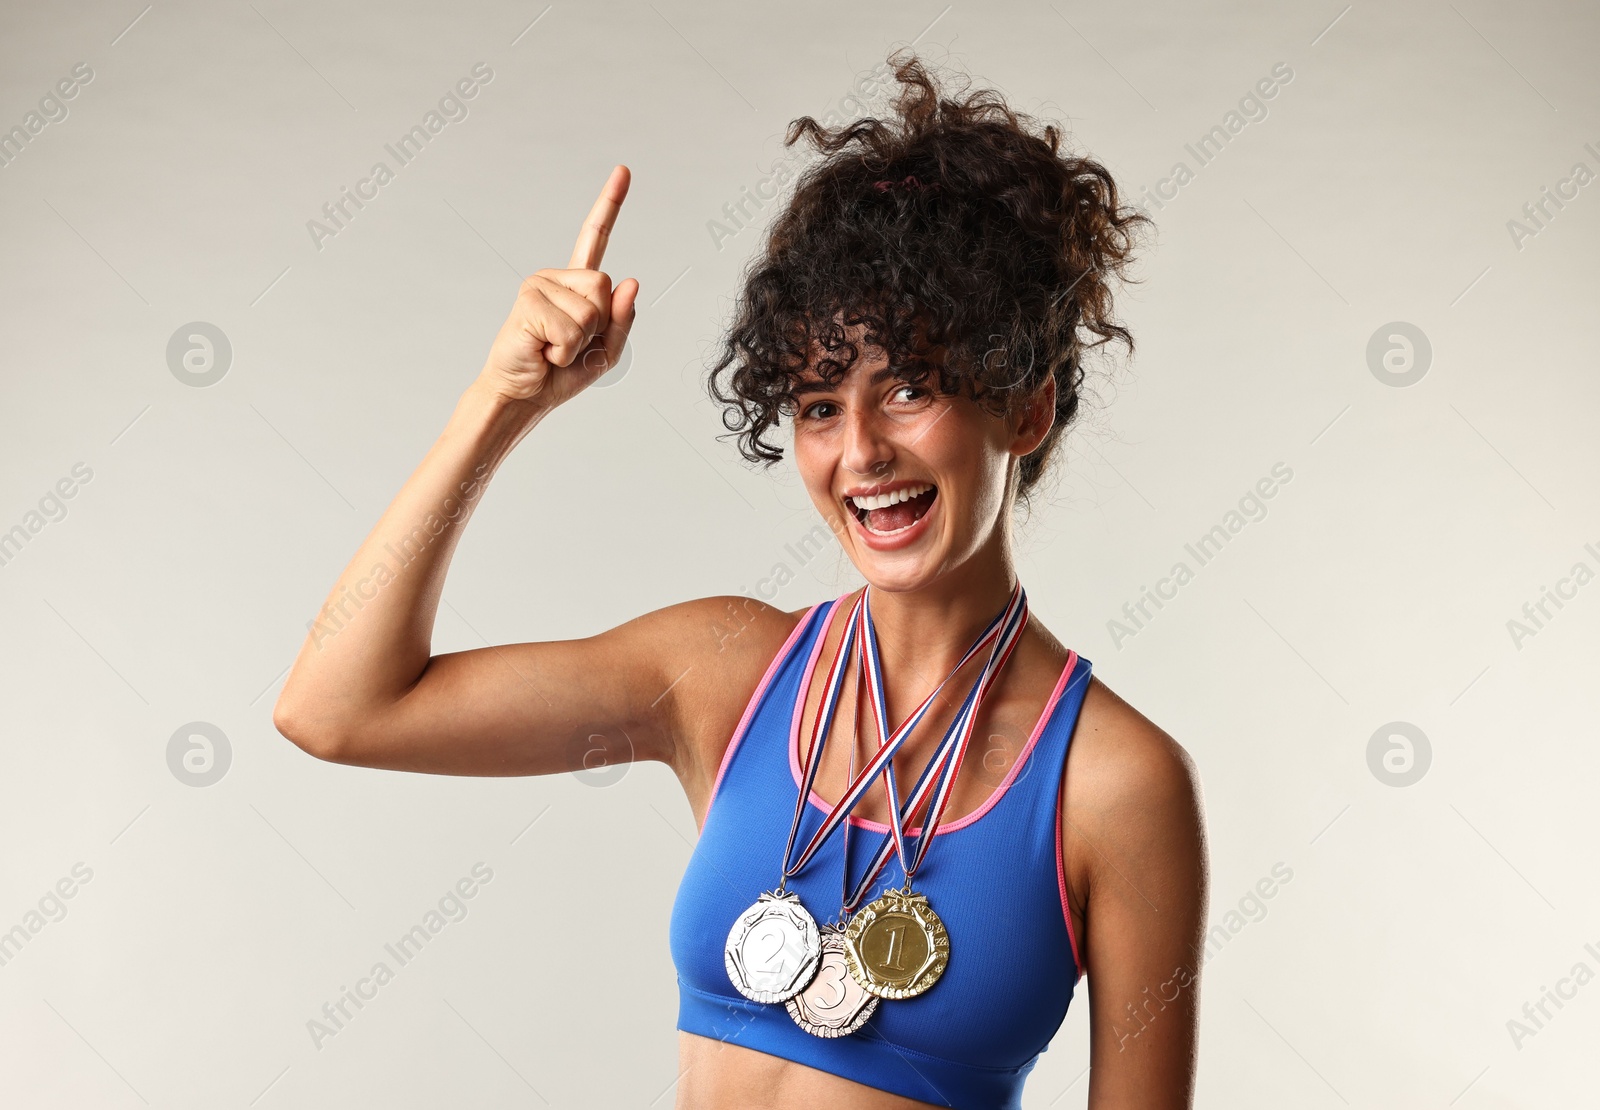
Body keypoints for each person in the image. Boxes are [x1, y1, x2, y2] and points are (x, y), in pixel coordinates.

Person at [274, 50, 1207, 1110]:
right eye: (816, 404)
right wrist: (502, 404)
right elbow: (337, 709)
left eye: (907, 389)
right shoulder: (724, 670)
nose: (858, 451)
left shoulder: (1116, 784)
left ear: (1024, 408)